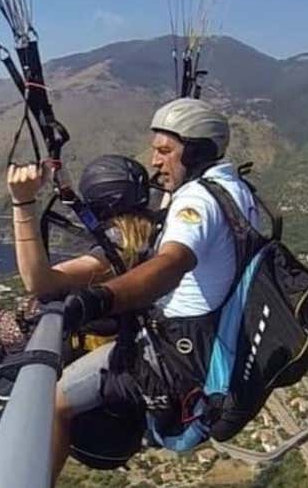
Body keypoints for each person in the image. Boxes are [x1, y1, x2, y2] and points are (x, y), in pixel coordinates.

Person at [48, 98, 259, 480]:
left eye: (165, 151)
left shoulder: (196, 200)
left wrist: (100, 297)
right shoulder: (237, 190)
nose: (156, 161)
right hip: (212, 347)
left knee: (55, 402)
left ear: (194, 152)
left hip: (175, 359)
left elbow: (171, 263)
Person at [0, 154, 160, 416]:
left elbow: (40, 282)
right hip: (122, 328)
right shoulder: (150, 230)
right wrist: (65, 188)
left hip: (90, 336)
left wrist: (22, 202)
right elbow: (94, 224)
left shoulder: (112, 255)